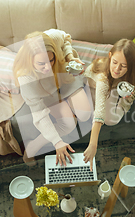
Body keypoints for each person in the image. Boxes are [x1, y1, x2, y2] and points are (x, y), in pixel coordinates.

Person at [13, 30, 92, 166]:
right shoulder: (25, 77)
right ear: (30, 61)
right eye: (41, 64)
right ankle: (32, 148)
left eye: (51, 60)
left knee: (85, 115)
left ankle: (69, 105)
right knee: (68, 125)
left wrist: (69, 57)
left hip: (64, 76)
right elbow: (39, 114)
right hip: (45, 90)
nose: (48, 67)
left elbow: (66, 38)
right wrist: (57, 142)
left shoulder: (53, 37)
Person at [83, 39, 135, 170]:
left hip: (112, 88)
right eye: (114, 62)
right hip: (94, 89)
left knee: (112, 119)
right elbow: (99, 111)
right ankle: (124, 94)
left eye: (124, 66)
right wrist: (93, 144)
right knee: (109, 119)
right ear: (110, 56)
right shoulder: (102, 77)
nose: (117, 69)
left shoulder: (128, 75)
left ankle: (127, 96)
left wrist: (126, 98)